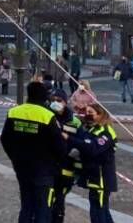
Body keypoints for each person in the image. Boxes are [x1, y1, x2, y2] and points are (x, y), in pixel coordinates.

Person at [1, 82, 66, 223]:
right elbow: (60, 147)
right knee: (43, 208)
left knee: (26, 205)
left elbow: (4, 139)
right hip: (44, 170)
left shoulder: (14, 112)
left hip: (21, 167)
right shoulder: (47, 116)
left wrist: (14, 157)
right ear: (44, 97)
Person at [65, 103, 117, 223]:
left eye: (90, 113)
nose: (87, 115)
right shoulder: (92, 129)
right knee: (100, 210)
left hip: (101, 178)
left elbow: (92, 148)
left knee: (98, 212)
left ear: (100, 115)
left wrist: (69, 138)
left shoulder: (105, 132)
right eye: (86, 112)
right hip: (93, 176)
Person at [49, 89, 84, 223]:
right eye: (53, 100)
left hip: (66, 168)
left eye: (59, 101)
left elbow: (81, 143)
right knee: (44, 201)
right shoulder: (46, 116)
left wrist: (73, 152)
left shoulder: (75, 121)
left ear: (65, 102)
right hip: (48, 166)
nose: (55, 103)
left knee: (59, 201)